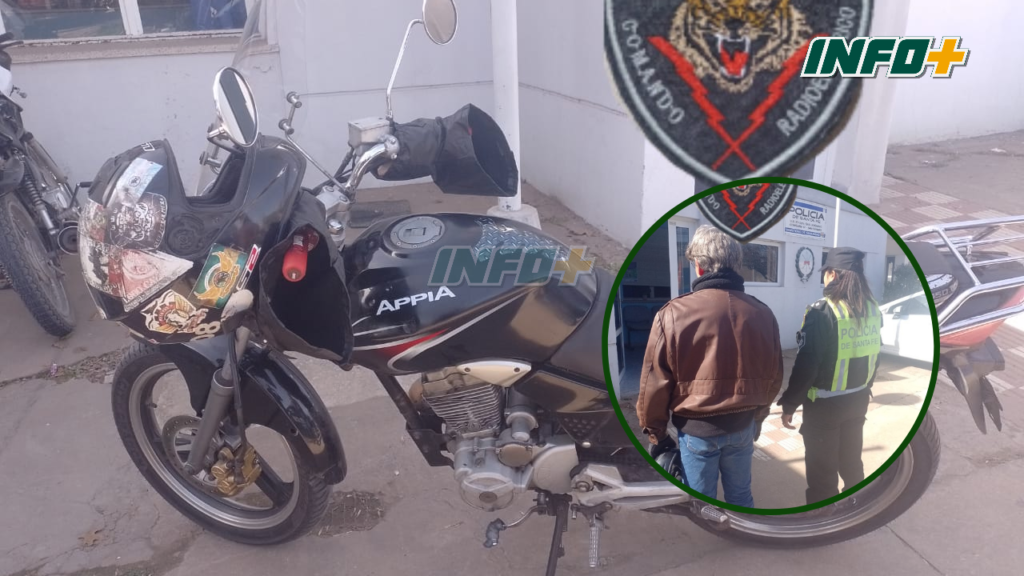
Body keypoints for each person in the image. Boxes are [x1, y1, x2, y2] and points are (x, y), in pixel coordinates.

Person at [637, 225, 783, 507]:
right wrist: (758, 416)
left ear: (699, 266)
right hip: (742, 427)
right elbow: (774, 375)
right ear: (735, 264)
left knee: (701, 504)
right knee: (741, 497)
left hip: (697, 432)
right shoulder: (763, 313)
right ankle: (745, 530)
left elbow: (654, 382)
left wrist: (657, 434)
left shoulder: (673, 313)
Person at [778, 247, 882, 505]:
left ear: (832, 274)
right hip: (858, 401)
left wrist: (790, 403)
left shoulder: (822, 311)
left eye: (824, 273)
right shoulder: (872, 309)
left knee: (822, 474)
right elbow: (875, 354)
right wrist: (866, 386)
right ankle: (858, 507)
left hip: (825, 408)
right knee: (851, 463)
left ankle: (822, 518)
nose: (823, 278)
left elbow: (807, 364)